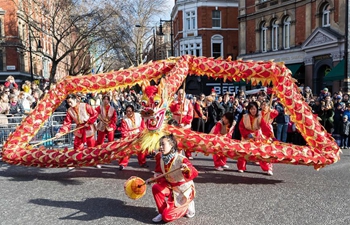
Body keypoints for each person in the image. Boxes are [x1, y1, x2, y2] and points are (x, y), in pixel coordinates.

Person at [147, 134, 198, 223]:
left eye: (163, 144)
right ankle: (162, 212)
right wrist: (152, 179)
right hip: (171, 186)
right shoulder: (160, 157)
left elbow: (194, 172)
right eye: (160, 144)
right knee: (156, 188)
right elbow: (160, 174)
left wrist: (186, 169)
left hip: (183, 191)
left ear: (171, 145)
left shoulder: (181, 159)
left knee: (167, 217)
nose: (161, 147)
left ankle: (187, 206)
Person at [238, 101, 275, 175]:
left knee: (261, 152)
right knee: (243, 151)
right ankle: (241, 167)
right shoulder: (244, 117)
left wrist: (270, 135)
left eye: (254, 109)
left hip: (257, 136)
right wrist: (247, 134)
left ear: (257, 109)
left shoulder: (259, 117)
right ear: (248, 109)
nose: (253, 111)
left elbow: (265, 127)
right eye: (251, 109)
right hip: (246, 136)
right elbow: (241, 127)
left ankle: (268, 168)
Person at [118, 104, 148, 170]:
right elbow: (124, 130)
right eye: (127, 111)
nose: (128, 113)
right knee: (126, 150)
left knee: (141, 149)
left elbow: (143, 125)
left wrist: (142, 133)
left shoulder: (139, 116)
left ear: (133, 111)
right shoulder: (124, 119)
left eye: (130, 111)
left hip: (139, 134)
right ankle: (123, 164)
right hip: (130, 136)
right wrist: (129, 137)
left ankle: (142, 162)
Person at [169, 88, 194, 159]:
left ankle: (188, 154)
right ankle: (176, 152)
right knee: (175, 139)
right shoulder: (174, 101)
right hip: (176, 122)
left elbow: (190, 113)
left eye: (182, 94)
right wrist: (177, 103)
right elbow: (171, 110)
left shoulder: (188, 102)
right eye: (180, 94)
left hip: (185, 123)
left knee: (187, 139)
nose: (181, 95)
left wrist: (185, 122)